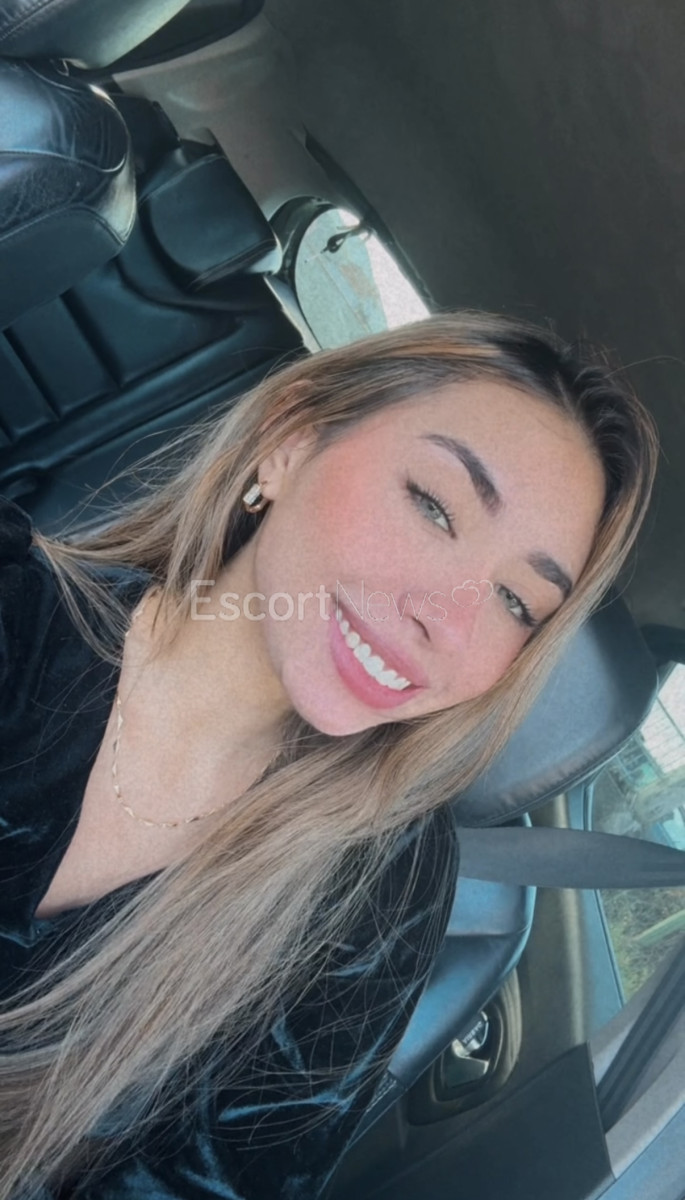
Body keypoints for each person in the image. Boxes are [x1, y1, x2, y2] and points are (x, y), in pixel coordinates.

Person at [0, 312, 658, 1199]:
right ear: (287, 442)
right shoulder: (18, 611)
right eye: (433, 506)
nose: (446, 620)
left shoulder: (378, 893)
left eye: (516, 604)